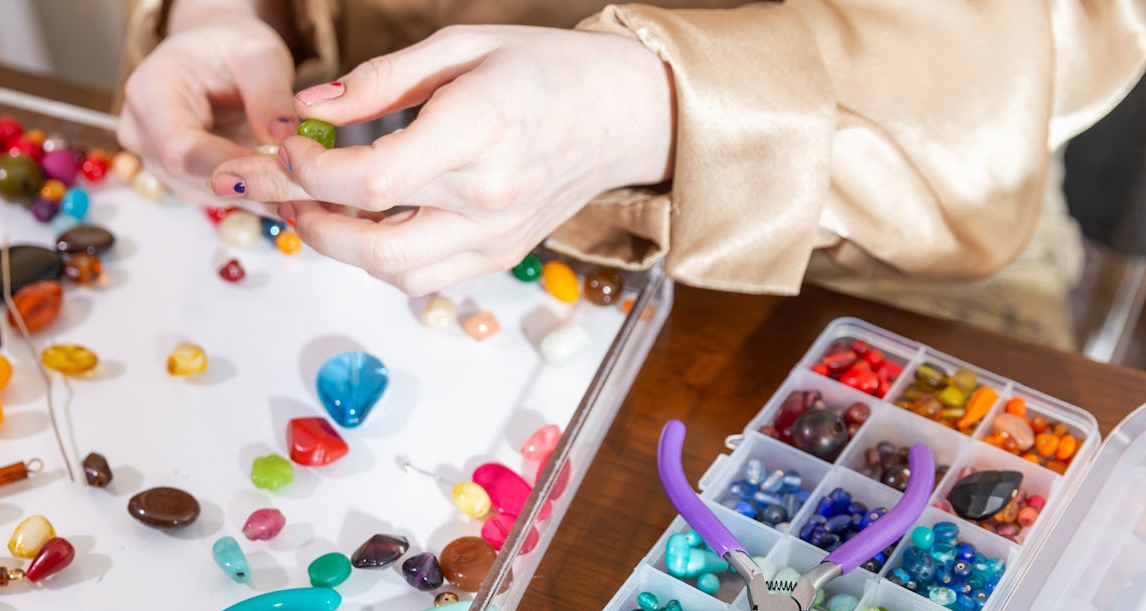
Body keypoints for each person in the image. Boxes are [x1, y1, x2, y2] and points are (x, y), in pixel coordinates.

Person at [118, 0, 1146, 348]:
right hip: (351, 141)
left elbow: (997, 69)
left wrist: (662, 110)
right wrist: (222, 14)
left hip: (857, 213)